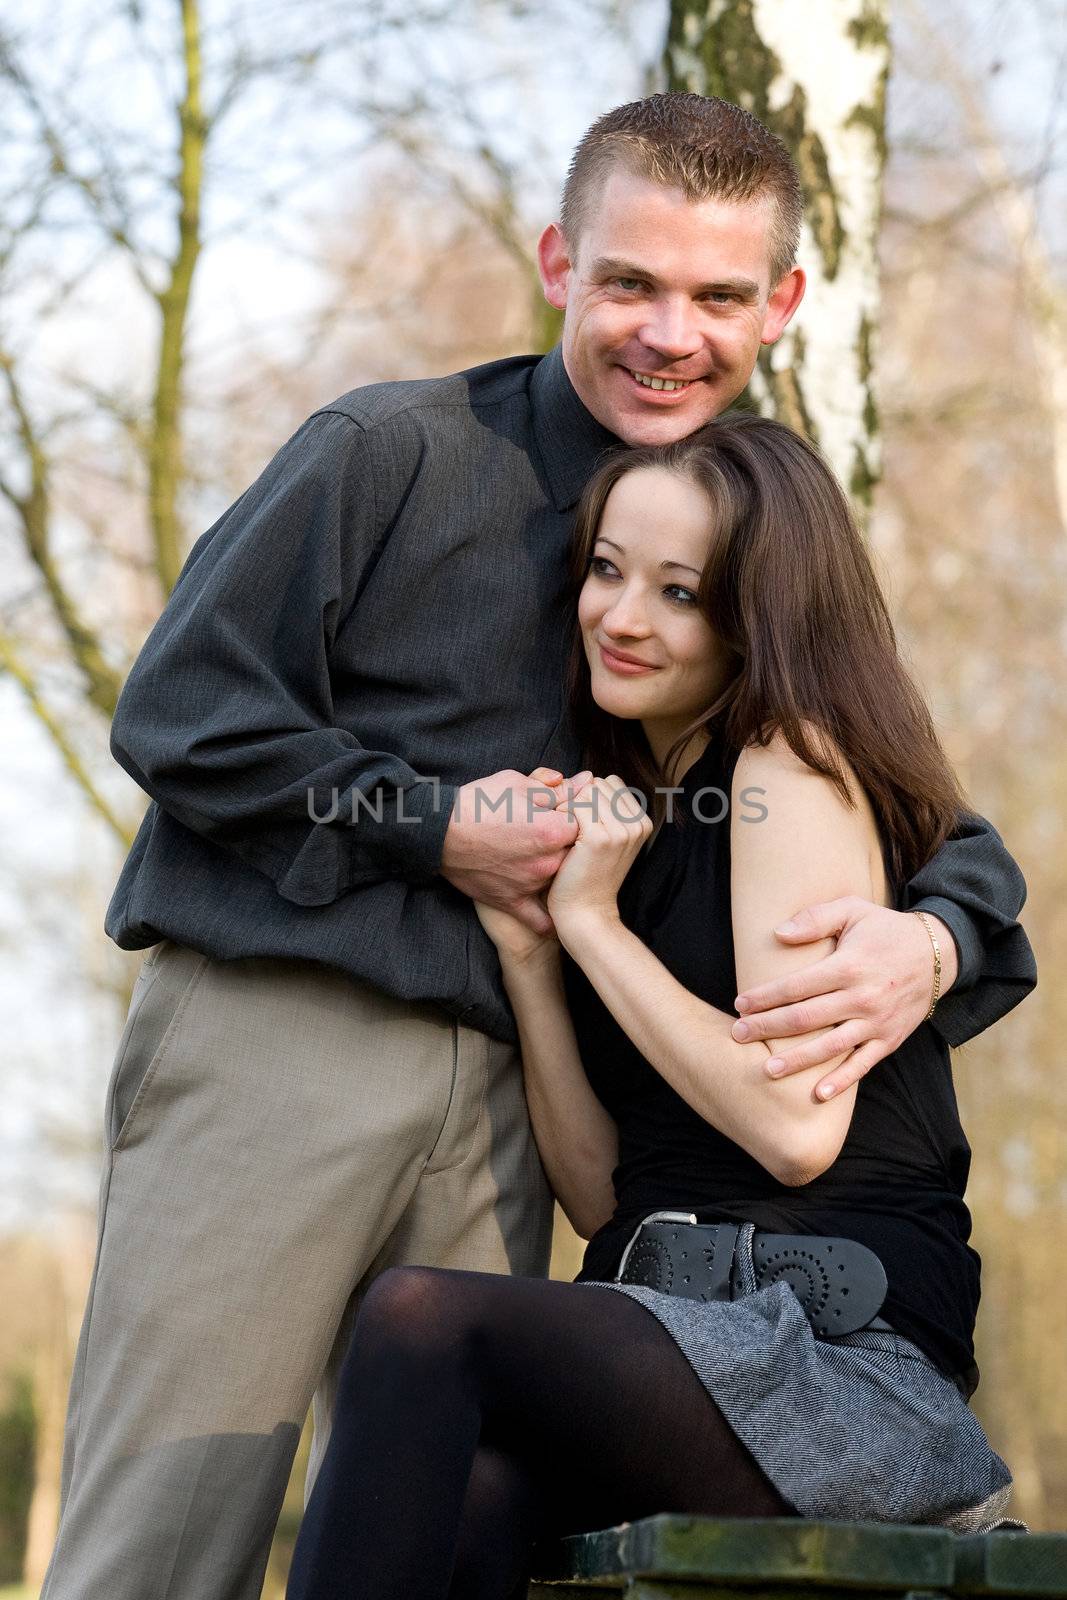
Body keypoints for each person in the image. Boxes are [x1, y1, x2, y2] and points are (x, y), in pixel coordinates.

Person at [40, 95, 1035, 1600]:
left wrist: (941, 930)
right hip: (298, 1034)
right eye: (629, 282)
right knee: (167, 1540)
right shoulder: (389, 451)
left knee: (462, 1531)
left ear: (778, 306)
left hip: (540, 1093)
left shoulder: (757, 527)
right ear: (558, 259)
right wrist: (437, 833)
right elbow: (183, 712)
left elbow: (889, 789)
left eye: (713, 296)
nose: (665, 333)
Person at [284, 413, 1031, 1600]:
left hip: (841, 1367)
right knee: (471, 1503)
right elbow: (600, 1193)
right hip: (678, 1335)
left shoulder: (787, 768)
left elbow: (794, 1132)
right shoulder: (639, 817)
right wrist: (535, 952)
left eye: (679, 592)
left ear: (756, 617)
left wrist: (592, 928)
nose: (620, 617)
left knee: (421, 1318)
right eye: (605, 570)